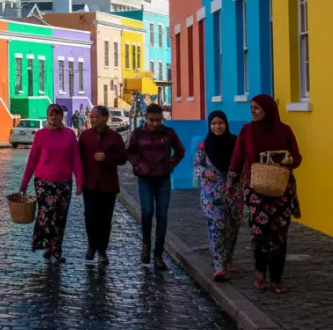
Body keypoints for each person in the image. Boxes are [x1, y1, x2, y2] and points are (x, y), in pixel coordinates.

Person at [226, 95, 302, 294]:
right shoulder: (247, 131)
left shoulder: (284, 131)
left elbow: (297, 158)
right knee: (260, 234)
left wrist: (287, 159)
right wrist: (231, 182)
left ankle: (276, 279)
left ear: (268, 110)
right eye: (251, 108)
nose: (252, 111)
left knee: (279, 235)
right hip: (256, 190)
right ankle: (260, 272)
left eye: (257, 108)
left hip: (281, 191)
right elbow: (237, 157)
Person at [20, 104, 83, 262]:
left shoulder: (70, 135)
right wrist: (24, 183)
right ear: (47, 117)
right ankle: (48, 244)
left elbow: (76, 159)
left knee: (61, 216)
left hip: (64, 182)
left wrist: (79, 182)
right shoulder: (40, 135)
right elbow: (32, 160)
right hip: (44, 182)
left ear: (62, 116)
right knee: (47, 214)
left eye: (57, 115)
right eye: (50, 115)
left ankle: (55, 249)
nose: (53, 118)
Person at [127, 103, 185, 270]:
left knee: (162, 215)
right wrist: (138, 164)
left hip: (163, 179)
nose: (155, 123)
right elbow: (130, 152)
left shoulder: (168, 133)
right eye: (152, 120)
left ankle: (158, 254)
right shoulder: (138, 134)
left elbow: (180, 150)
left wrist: (171, 164)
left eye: (158, 120)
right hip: (145, 179)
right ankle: (146, 244)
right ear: (146, 118)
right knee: (147, 212)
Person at [195, 110, 242, 281]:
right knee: (217, 227)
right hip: (212, 194)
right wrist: (206, 173)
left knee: (233, 227)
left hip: (233, 192)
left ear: (226, 124)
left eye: (220, 123)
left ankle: (228, 260)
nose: (217, 127)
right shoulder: (204, 145)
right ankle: (219, 266)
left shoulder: (235, 142)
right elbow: (197, 165)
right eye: (214, 124)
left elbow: (242, 161)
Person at [78, 105, 127, 264]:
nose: (92, 120)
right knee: (89, 217)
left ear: (105, 118)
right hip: (90, 184)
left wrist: (107, 157)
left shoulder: (115, 137)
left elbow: (123, 158)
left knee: (105, 219)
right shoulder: (85, 136)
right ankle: (91, 245)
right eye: (91, 117)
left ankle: (102, 251)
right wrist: (79, 180)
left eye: (95, 117)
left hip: (108, 185)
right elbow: (78, 158)